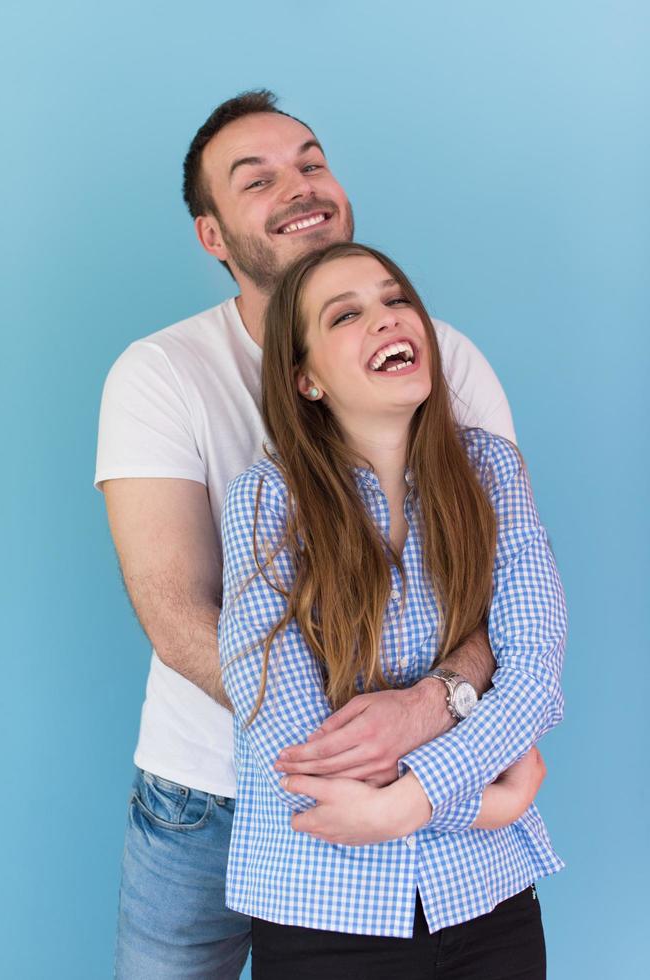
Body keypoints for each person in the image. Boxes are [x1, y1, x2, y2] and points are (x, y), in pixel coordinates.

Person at [96, 90, 534, 979]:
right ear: (213, 236)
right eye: (256, 180)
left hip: (427, 772)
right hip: (210, 796)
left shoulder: (442, 360)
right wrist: (343, 758)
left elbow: (508, 598)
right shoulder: (162, 376)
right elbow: (178, 606)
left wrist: (424, 726)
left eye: (311, 161)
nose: (300, 186)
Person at [218, 241, 566, 978]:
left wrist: (411, 803)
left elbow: (534, 675)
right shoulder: (266, 501)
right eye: (346, 314)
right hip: (327, 908)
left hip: (488, 899)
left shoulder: (492, 471)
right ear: (306, 379)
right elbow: (299, 747)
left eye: (395, 299)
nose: (385, 319)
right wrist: (482, 802)